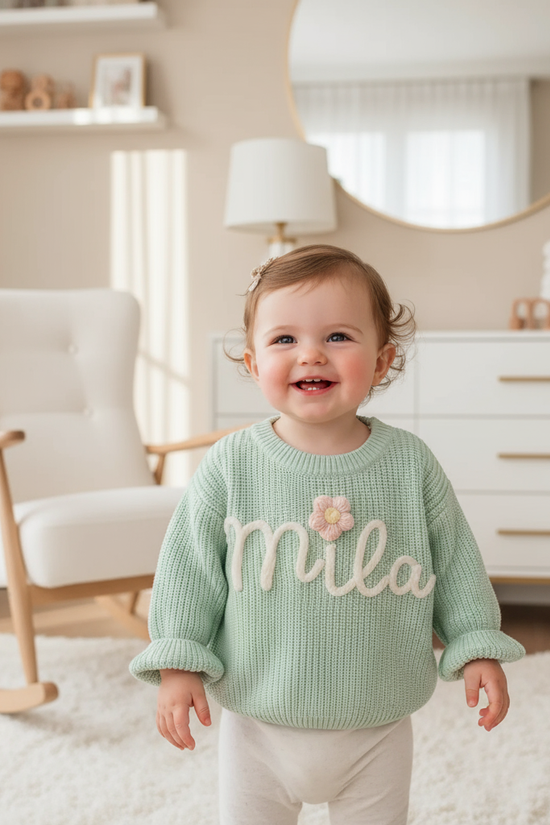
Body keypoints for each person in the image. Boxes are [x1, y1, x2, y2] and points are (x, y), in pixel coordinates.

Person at [130, 245, 525, 825]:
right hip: (258, 724)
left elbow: (455, 559)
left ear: (383, 359)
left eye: (338, 336)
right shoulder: (232, 464)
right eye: (284, 339)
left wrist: (476, 644)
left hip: (377, 724)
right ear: (252, 360)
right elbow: (189, 569)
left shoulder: (409, 466)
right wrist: (179, 661)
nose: (310, 353)